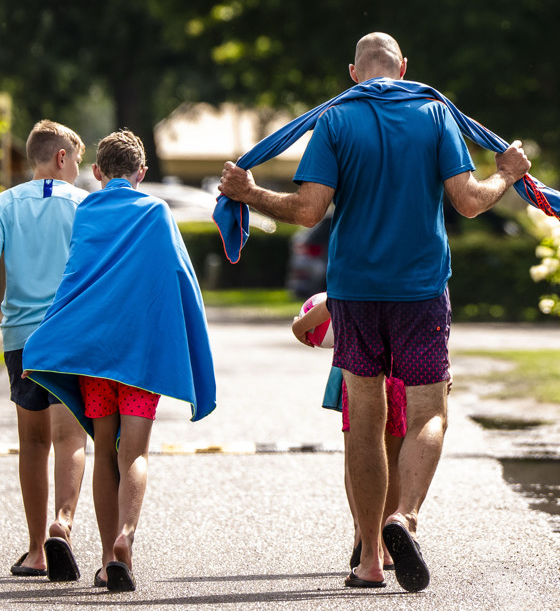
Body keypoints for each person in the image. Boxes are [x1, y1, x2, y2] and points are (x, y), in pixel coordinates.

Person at [219, 32, 531, 592]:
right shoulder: (436, 115)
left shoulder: (336, 121)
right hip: (421, 288)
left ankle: (368, 559)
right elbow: (466, 201)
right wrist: (506, 174)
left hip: (355, 290)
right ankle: (403, 517)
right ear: (405, 68)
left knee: (363, 416)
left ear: (353, 73)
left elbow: (308, 210)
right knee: (428, 408)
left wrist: (249, 194)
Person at [22, 130, 216, 593]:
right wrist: (196, 346)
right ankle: (128, 536)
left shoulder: (86, 209)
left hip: (96, 356)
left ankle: (109, 558)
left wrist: (50, 335)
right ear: (142, 174)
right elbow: (181, 277)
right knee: (137, 452)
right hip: (140, 357)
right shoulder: (155, 211)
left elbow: (76, 278)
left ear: (97, 172)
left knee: (104, 446)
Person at [0, 120, 90, 583]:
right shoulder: (83, 204)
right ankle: (65, 522)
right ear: (61, 158)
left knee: (33, 444)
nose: (78, 170)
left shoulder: (4, 202)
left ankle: (37, 550)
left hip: (21, 338)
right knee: (71, 438)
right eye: (77, 161)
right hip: (69, 335)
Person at [293, 296, 404, 581]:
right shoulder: (413, 259)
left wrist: (300, 326)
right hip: (403, 363)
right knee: (391, 457)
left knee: (359, 450)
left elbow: (334, 300)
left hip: (360, 361)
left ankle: (364, 536)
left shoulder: (359, 254)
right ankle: (388, 544)